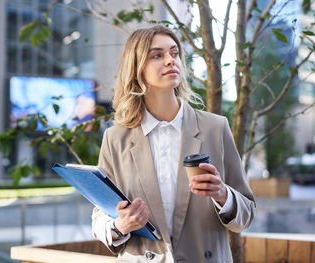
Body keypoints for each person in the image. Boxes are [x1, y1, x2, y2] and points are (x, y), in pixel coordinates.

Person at [91, 25, 256, 262]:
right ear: (137, 68)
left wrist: (222, 195)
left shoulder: (215, 128)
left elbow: (247, 213)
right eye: (157, 55)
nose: (170, 60)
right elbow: (100, 215)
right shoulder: (115, 138)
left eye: (174, 53)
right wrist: (119, 226)